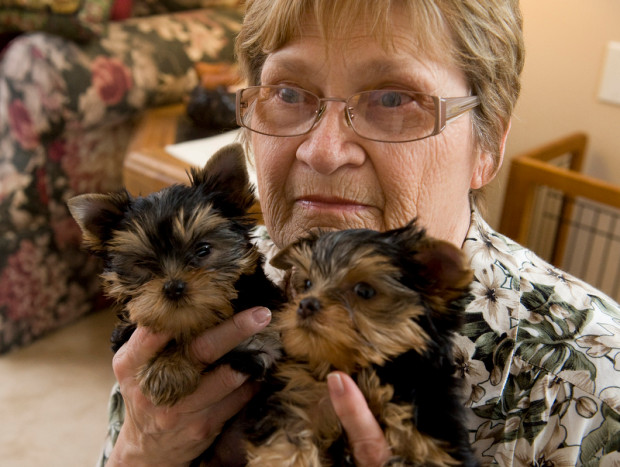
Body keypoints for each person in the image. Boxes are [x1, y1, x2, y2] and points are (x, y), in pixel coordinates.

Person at [99, 0, 620, 465]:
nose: (322, 151)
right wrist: (138, 454)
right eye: (287, 91)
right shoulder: (212, 277)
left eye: (394, 99)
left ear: (488, 146)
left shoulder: (593, 382)